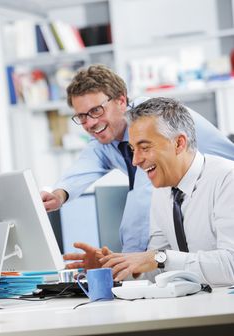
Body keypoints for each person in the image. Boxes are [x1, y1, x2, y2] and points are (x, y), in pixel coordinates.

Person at [41, 64, 234, 256]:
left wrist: (126, 263)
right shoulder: (107, 137)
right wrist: (59, 195)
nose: (90, 123)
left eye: (96, 111)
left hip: (225, 194)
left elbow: (142, 200)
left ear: (121, 100)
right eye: (82, 116)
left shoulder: (149, 121)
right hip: (195, 208)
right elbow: (86, 163)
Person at [99, 97, 234, 286]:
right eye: (132, 149)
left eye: (144, 148)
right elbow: (157, 267)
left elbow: (231, 266)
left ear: (179, 143)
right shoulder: (163, 189)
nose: (135, 161)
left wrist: (159, 258)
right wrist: (110, 268)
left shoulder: (228, 179)